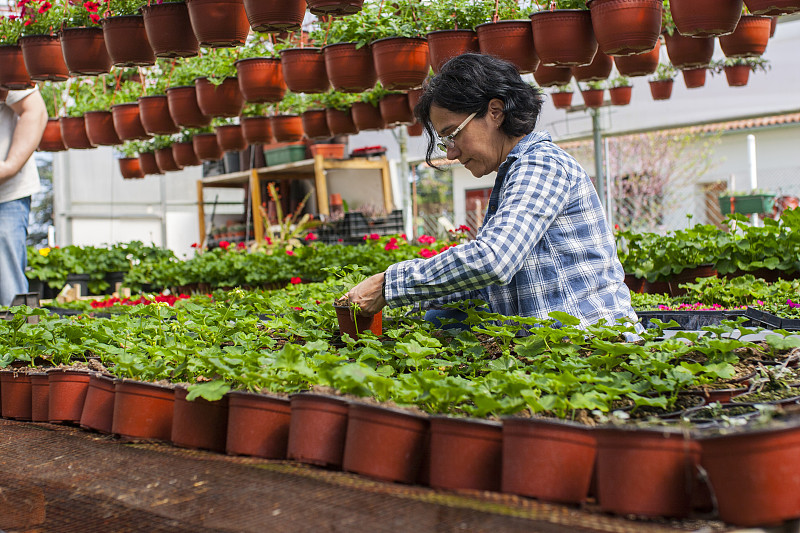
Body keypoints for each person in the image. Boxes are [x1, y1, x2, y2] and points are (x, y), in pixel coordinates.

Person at [345, 53, 638, 330]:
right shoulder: (513, 173)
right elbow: (490, 282)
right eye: (445, 141)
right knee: (440, 317)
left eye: (452, 134)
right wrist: (406, 307)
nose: (451, 153)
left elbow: (493, 260)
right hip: (552, 351)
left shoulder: (541, 164)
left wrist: (389, 284)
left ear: (495, 112)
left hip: (591, 349)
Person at [0, 86, 48, 307]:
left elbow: (34, 109)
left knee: (8, 285)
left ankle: (17, 340)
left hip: (5, 194)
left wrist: (9, 167)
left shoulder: (5, 63)